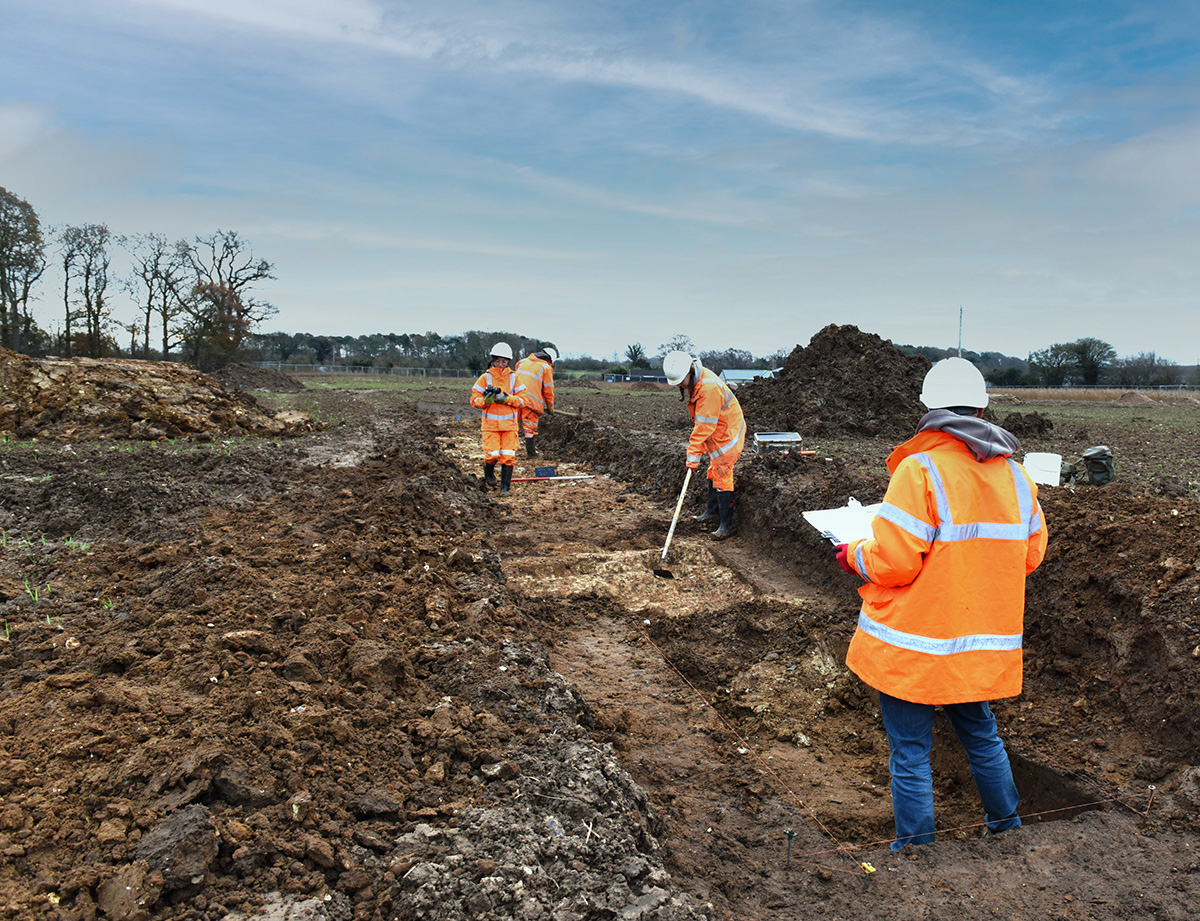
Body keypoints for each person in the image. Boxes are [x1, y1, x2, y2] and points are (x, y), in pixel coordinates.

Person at [833, 357, 1049, 849]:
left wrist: (853, 557)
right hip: (974, 643)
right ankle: (1007, 827)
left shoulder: (920, 469)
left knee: (910, 750)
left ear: (928, 409)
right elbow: (1029, 554)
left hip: (915, 643)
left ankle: (916, 847)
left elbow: (894, 562)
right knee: (981, 735)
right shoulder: (1016, 477)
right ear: (980, 408)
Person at [662, 350, 746, 540]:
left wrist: (692, 457)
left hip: (727, 433)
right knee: (713, 471)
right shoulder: (695, 381)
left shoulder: (707, 389)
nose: (680, 385)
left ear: (689, 371)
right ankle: (712, 512)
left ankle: (727, 525)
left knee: (722, 473)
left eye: (681, 381)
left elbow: (703, 427)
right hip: (717, 430)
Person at [470, 342, 527, 495]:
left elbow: (523, 400)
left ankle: (505, 488)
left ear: (508, 361)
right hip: (491, 426)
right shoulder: (485, 378)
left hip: (510, 426)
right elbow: (474, 399)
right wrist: (484, 401)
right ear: (493, 361)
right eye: (498, 361)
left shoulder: (515, 378)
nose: (501, 364)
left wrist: (507, 399)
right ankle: (488, 472)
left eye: (504, 361)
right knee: (492, 455)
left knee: (508, 457)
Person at [514, 346, 557, 457]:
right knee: (529, 427)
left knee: (512, 425)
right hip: (530, 402)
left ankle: (508, 451)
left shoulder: (522, 362)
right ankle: (531, 454)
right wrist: (550, 408)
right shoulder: (546, 367)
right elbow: (548, 390)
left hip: (515, 398)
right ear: (550, 359)